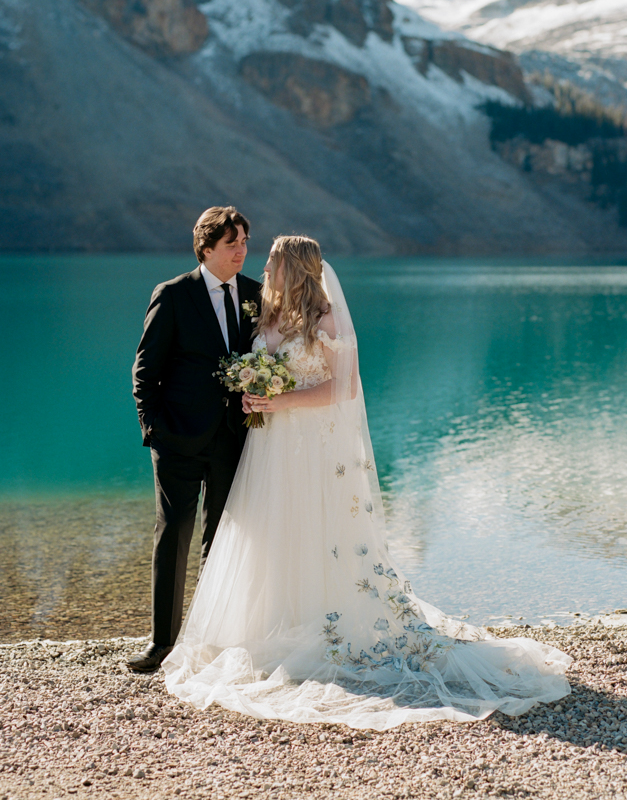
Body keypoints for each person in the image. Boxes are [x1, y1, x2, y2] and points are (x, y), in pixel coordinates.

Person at [162, 236, 571, 727]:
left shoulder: (326, 320)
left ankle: (320, 624)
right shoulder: (267, 318)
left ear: (292, 267)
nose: (262, 267)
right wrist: (254, 395)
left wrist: (279, 401)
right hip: (270, 448)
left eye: (270, 260)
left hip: (311, 446)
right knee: (273, 528)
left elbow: (344, 387)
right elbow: (263, 372)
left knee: (320, 530)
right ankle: (273, 622)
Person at [128, 206, 262, 674]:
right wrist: (155, 431)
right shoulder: (173, 295)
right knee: (174, 536)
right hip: (178, 440)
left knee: (222, 541)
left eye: (244, 241)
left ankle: (209, 641)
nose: (242, 250)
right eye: (232, 243)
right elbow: (145, 371)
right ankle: (162, 644)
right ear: (206, 248)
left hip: (234, 439)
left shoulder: (255, 295)